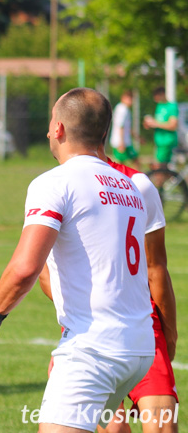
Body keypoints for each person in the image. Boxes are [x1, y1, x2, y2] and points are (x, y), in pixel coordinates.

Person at [0, 88, 155, 433]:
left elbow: (25, 268)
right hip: (138, 346)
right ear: (103, 132)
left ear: (58, 129)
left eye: (49, 126)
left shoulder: (54, 182)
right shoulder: (129, 185)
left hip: (94, 349)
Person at [39, 138, 178, 433]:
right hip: (142, 329)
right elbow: (156, 268)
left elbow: (40, 272)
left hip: (93, 335)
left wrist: (78, 313)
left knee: (113, 428)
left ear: (62, 130)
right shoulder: (138, 183)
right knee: (161, 426)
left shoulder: (55, 185)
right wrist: (169, 335)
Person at [143, 86, 178, 170]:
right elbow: (159, 122)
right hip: (159, 141)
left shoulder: (172, 106)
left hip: (167, 141)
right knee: (162, 168)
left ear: (162, 94)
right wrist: (149, 124)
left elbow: (173, 125)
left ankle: (164, 182)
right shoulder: (159, 106)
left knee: (159, 168)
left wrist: (156, 123)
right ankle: (170, 181)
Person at [110, 90, 138, 165]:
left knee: (123, 163)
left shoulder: (124, 108)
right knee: (121, 163)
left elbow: (127, 127)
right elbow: (120, 126)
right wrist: (121, 142)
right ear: (123, 98)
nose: (131, 101)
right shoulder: (122, 109)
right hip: (122, 142)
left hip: (124, 141)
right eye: (130, 99)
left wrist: (136, 137)